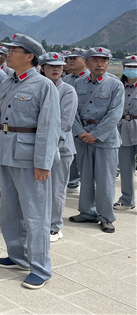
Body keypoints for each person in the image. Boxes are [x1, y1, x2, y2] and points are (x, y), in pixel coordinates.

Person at [0, 34, 61, 290]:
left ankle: (40, 268)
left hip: (30, 158)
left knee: (35, 215)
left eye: (14, 50)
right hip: (7, 153)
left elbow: (49, 127)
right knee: (10, 211)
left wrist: (43, 162)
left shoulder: (43, 86)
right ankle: (17, 255)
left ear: (29, 56)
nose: (8, 53)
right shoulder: (8, 82)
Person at [70, 47, 125, 233]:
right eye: (95, 60)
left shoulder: (115, 85)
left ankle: (106, 217)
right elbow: (73, 111)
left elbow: (115, 114)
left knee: (105, 180)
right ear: (87, 63)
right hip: (83, 137)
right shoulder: (79, 84)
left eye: (103, 60)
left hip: (105, 139)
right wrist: (79, 132)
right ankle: (87, 212)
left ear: (108, 63)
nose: (99, 64)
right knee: (85, 176)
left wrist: (96, 134)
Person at [38, 52, 78, 243]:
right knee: (39, 188)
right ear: (42, 67)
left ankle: (54, 226)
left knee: (57, 189)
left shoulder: (67, 90)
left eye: (59, 67)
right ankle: (41, 222)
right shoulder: (37, 87)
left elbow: (64, 124)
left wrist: (48, 146)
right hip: (38, 146)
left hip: (60, 148)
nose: (56, 69)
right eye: (51, 66)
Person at [62, 48, 88, 193]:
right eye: (68, 59)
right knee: (70, 157)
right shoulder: (67, 79)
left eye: (74, 59)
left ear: (84, 61)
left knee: (86, 162)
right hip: (70, 126)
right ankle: (72, 183)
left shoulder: (91, 78)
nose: (69, 61)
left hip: (86, 129)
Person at [116, 55, 137, 211]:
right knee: (125, 166)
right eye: (129, 67)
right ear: (124, 68)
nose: (132, 70)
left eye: (135, 68)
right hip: (122, 128)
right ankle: (127, 199)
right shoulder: (118, 86)